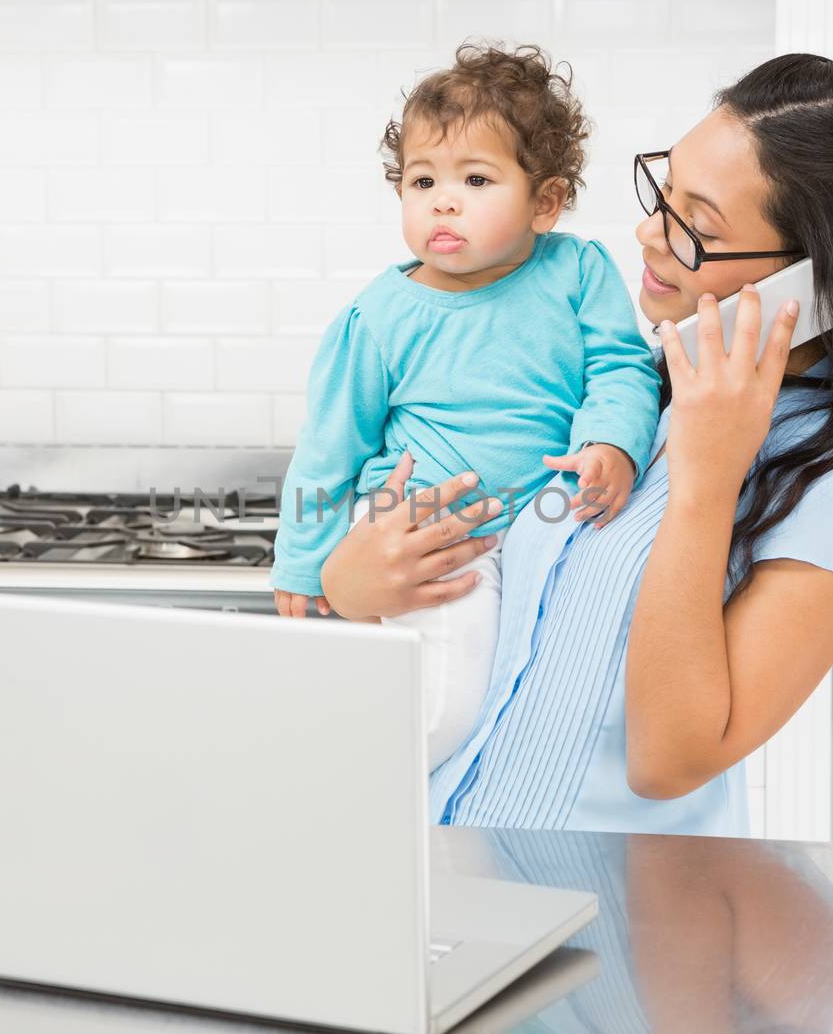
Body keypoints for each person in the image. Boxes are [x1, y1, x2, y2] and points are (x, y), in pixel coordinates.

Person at [318, 52, 833, 835]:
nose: (648, 233)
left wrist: (706, 477)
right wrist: (351, 586)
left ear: (813, 281)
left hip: (611, 915)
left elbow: (669, 759)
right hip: (452, 858)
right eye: (663, 193)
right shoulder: (630, 401)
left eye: (697, 226)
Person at [269, 44, 662, 772]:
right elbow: (329, 446)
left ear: (544, 202)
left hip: (535, 526)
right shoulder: (381, 316)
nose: (441, 200)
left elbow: (621, 366)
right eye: (422, 180)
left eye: (475, 178)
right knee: (447, 706)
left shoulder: (577, 273)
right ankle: (347, 788)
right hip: (430, 526)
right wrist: (300, 561)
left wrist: (613, 439)